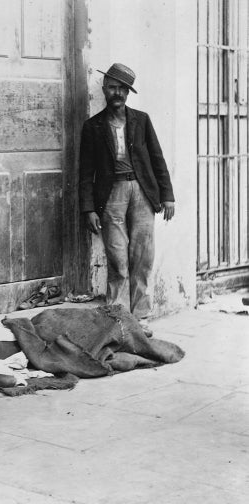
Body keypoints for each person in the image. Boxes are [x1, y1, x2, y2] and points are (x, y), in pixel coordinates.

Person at [78, 63, 175, 337]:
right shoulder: (93, 127)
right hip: (112, 196)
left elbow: (158, 159)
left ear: (128, 92)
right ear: (104, 88)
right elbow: (85, 172)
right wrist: (88, 209)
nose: (117, 92)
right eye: (112, 87)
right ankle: (118, 320)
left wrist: (167, 196)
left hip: (143, 192)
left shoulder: (141, 120)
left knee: (142, 256)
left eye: (122, 88)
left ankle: (140, 318)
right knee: (117, 256)